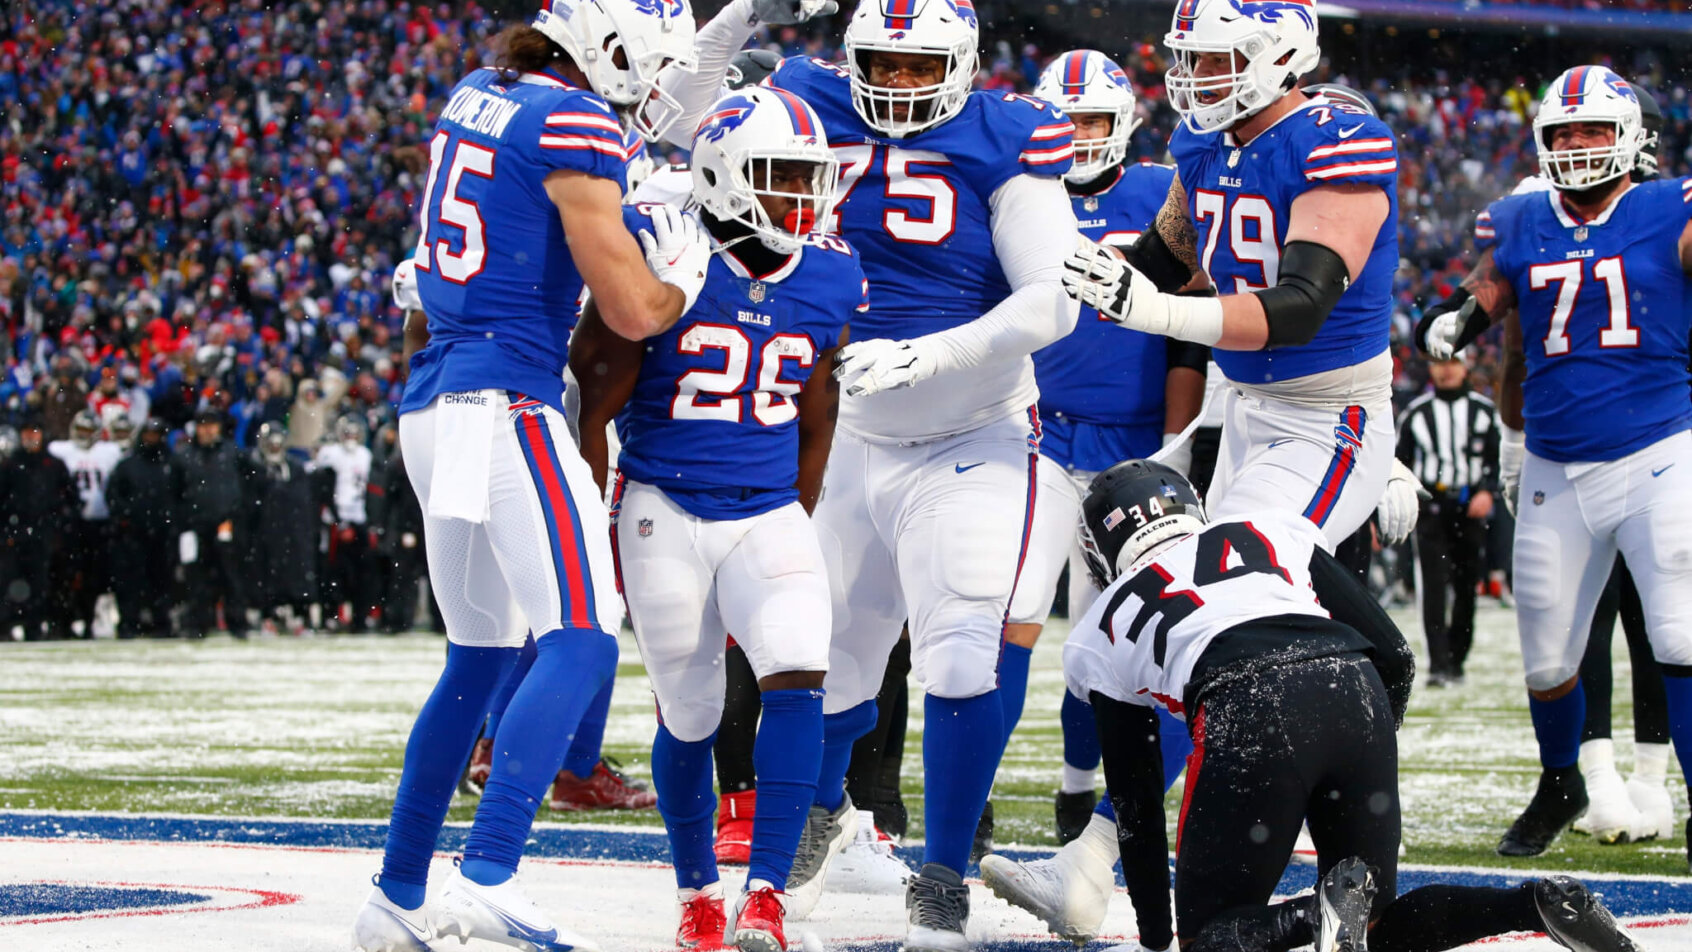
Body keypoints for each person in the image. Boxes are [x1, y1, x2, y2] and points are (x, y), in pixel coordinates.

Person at [663, 0, 1082, 944]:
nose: (896, 83)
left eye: (917, 64)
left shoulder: (1007, 133)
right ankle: (812, 820)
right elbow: (678, 116)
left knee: (963, 653)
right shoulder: (809, 97)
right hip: (845, 433)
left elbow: (1054, 301)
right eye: (882, 63)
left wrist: (928, 355)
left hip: (971, 431)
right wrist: (740, 15)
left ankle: (940, 874)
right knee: (826, 667)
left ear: (963, 59)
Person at [351, 0, 711, 946]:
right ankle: (491, 866)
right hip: (506, 401)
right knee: (586, 640)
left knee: (475, 660)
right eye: (650, 59)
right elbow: (634, 311)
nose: (655, 80)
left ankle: (398, 892)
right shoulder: (575, 118)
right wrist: (686, 273)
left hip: (433, 403)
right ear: (607, 45)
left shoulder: (482, 91)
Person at [1002, 458, 1642, 952]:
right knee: (1382, 923)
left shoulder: (1099, 628)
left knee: (1214, 936)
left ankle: (1316, 911)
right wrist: (1353, 753)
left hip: (1248, 701)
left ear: (1098, 548)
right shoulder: (1265, 528)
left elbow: (1137, 802)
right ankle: (1536, 904)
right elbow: (1394, 652)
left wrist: (1156, 934)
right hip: (1353, 684)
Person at [571, 85, 864, 952]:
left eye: (809, 179)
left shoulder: (829, 272)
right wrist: (593, 519)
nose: (800, 199)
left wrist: (793, 520)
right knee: (690, 713)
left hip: (766, 509)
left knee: (801, 670)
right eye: (779, 177)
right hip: (662, 506)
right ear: (725, 174)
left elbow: (818, 411)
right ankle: (697, 889)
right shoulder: (670, 257)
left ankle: (766, 892)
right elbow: (593, 400)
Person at [1418, 64, 1692, 865]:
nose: (1577, 147)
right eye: (1563, 133)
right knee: (1546, 653)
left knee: (1677, 632)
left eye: (1594, 131)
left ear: (1629, 138)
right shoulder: (1519, 218)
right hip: (1554, 461)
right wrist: (1458, 318)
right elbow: (1488, 295)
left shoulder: (1665, 203)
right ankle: (1560, 780)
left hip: (1657, 452)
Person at [1014, 48, 1207, 846]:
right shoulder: (1015, 194)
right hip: (1031, 435)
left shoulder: (1163, 194)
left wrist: (1178, 442)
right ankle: (1063, 790)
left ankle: (1088, 795)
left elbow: (1192, 338)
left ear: (1124, 121)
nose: (1077, 134)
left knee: (1118, 636)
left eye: (1091, 118)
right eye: (1063, 118)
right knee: (1009, 618)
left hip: (1135, 451)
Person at [1396, 353, 1499, 686]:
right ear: (1431, 368)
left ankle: (1457, 660)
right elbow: (1401, 463)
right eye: (1440, 363)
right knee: (1434, 587)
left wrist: (1487, 491)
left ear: (1465, 365)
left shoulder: (1484, 412)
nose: (1446, 369)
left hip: (1470, 509)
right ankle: (1438, 665)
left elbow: (1498, 460)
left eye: (1453, 362)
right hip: (1433, 510)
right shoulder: (1417, 414)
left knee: (1468, 588)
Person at [174, 408, 255, 638]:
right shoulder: (185, 456)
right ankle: (198, 623)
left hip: (226, 524)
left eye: (211, 425)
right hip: (195, 525)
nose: (208, 430)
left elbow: (248, 485)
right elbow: (175, 492)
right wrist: (185, 520)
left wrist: (237, 514)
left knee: (231, 576)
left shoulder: (232, 453)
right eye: (203, 425)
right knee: (197, 577)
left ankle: (237, 622)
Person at [47, 410, 123, 638]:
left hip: (101, 522)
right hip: (72, 524)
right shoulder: (60, 451)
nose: (84, 435)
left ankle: (93, 617)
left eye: (88, 431)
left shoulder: (109, 452)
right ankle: (66, 619)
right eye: (80, 430)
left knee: (98, 575)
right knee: (67, 574)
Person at [0, 416, 77, 640]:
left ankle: (35, 626)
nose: (30, 437)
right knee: (8, 583)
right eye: (26, 432)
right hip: (14, 534)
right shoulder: (11, 464)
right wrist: (6, 532)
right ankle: (6, 627)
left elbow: (68, 499)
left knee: (40, 583)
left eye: (34, 432)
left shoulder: (54, 465)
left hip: (43, 534)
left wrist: (57, 528)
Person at [107, 419, 181, 638]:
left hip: (163, 534)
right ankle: (130, 623)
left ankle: (161, 622)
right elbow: (113, 495)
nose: (151, 439)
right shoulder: (128, 465)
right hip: (134, 533)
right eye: (148, 434)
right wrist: (125, 518)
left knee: (162, 580)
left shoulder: (171, 464)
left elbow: (182, 495)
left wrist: (173, 520)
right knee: (130, 581)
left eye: (155, 435)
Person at [247, 422, 319, 636]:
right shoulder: (255, 468)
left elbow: (304, 502)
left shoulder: (295, 468)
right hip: (265, 532)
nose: (276, 448)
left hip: (292, 531)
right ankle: (269, 616)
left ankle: (299, 617)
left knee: (297, 575)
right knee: (267, 575)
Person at [316, 416, 377, 631]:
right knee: (333, 572)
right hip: (336, 521)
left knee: (362, 573)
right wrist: (339, 521)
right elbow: (325, 489)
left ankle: (359, 617)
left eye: (354, 433)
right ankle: (331, 616)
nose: (351, 437)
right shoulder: (332, 455)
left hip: (359, 518)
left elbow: (371, 490)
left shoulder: (365, 455)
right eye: (347, 433)